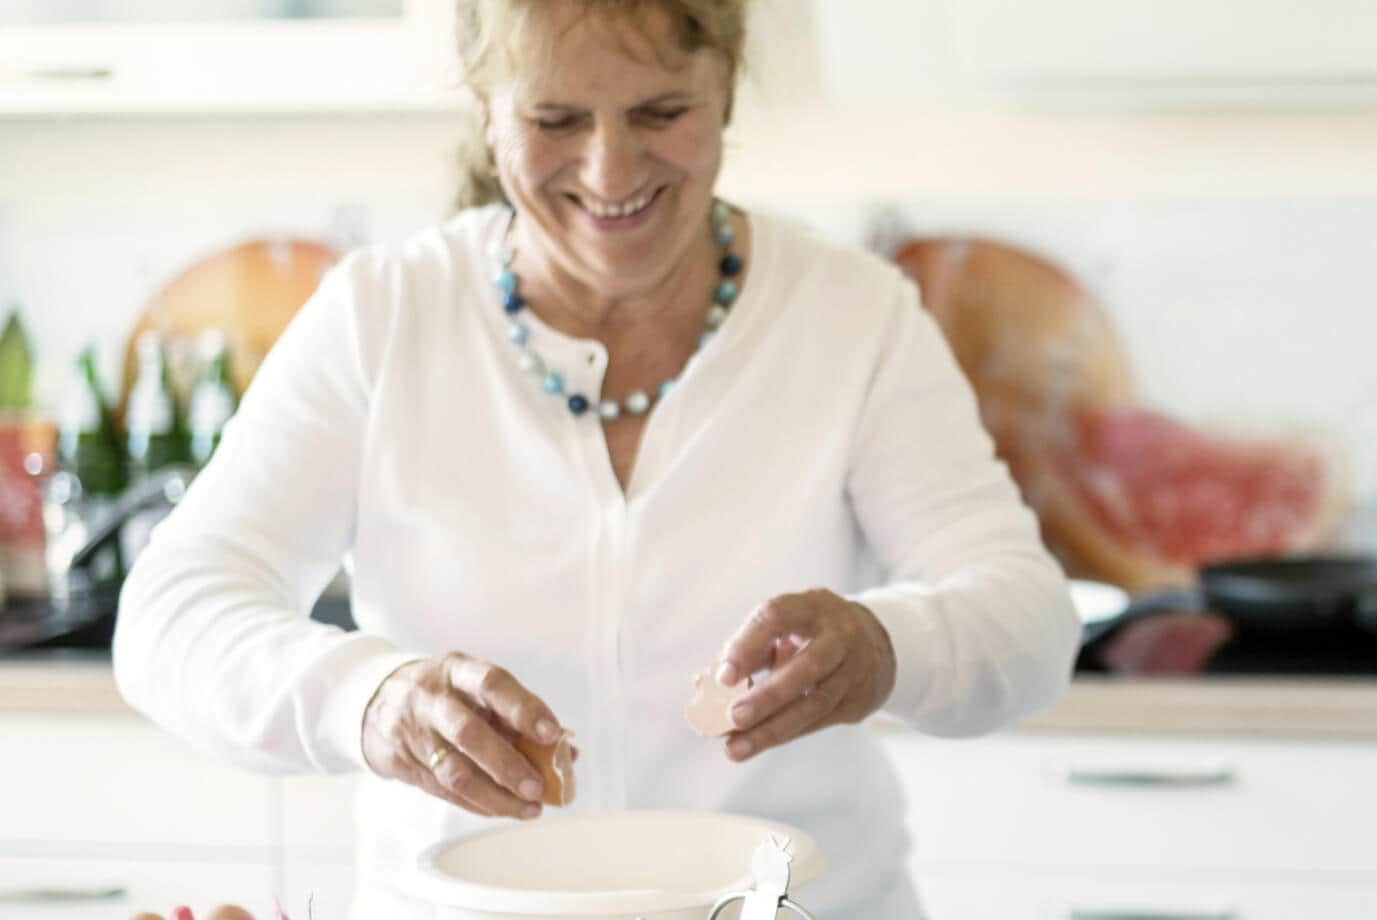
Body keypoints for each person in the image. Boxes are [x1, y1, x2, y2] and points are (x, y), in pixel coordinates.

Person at [111, 1, 1078, 916]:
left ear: (727, 92)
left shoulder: (851, 316)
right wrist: (367, 701)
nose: (611, 170)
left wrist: (887, 648)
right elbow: (169, 618)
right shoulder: (383, 317)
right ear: (486, 112)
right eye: (555, 117)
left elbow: (1029, 620)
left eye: (661, 111)